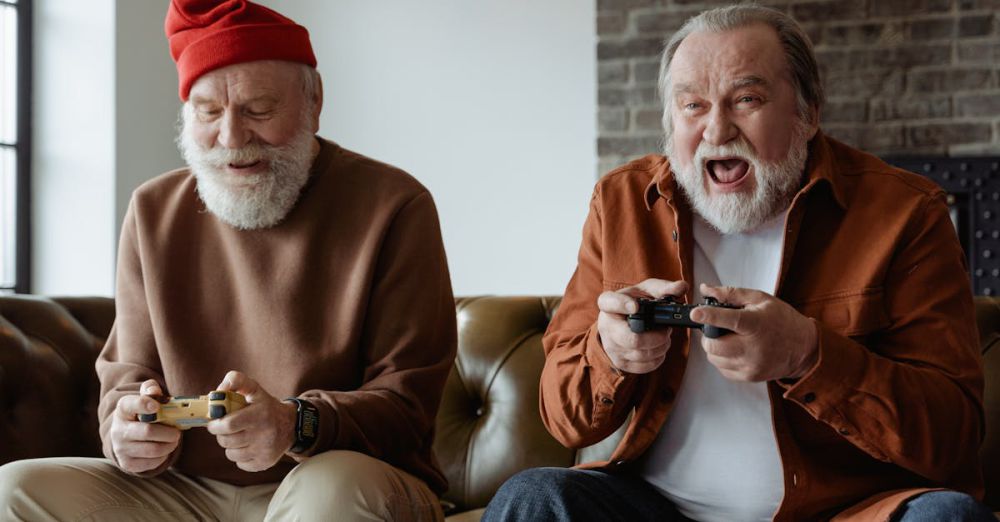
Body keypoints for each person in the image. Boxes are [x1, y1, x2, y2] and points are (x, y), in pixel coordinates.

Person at [484, 4, 993, 522]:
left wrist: (808, 354)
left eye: (746, 99)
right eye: (692, 106)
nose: (716, 130)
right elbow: (563, 420)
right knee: (534, 498)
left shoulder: (906, 213)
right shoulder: (621, 203)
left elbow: (952, 436)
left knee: (947, 518)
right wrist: (610, 353)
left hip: (846, 512)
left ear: (808, 112)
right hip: (658, 510)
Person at [0, 1, 455, 520]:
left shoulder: (395, 204)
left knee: (331, 490)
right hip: (184, 492)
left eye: (259, 110)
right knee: (15, 488)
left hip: (341, 475)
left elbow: (407, 405)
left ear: (314, 103)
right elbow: (127, 376)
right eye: (208, 111)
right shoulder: (152, 210)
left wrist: (295, 423)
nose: (232, 138)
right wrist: (126, 430)